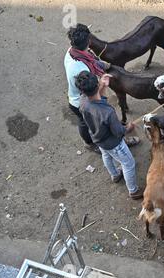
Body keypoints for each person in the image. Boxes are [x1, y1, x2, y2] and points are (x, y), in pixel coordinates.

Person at [64, 24, 139, 153]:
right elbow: (92, 92)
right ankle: (109, 142)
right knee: (102, 123)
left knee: (83, 122)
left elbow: (90, 60)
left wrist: (102, 64)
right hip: (83, 102)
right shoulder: (82, 70)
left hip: (74, 99)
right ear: (88, 42)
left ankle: (90, 143)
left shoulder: (72, 51)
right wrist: (103, 84)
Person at [75, 71, 143, 200]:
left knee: (106, 155)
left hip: (99, 139)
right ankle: (133, 191)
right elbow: (118, 132)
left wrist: (103, 85)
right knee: (128, 164)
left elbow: (93, 96)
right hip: (114, 143)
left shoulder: (82, 100)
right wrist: (128, 128)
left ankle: (115, 174)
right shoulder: (108, 112)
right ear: (96, 85)